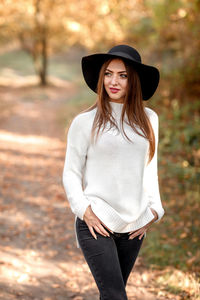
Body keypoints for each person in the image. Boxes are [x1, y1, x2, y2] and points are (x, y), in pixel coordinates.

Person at [62, 44, 165, 300]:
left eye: (123, 75)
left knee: (112, 294)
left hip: (134, 225)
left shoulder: (149, 119)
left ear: (134, 80)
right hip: (96, 222)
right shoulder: (84, 122)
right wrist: (83, 210)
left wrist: (155, 210)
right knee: (115, 295)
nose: (113, 81)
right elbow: (71, 173)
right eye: (108, 73)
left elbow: (149, 168)